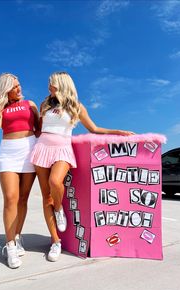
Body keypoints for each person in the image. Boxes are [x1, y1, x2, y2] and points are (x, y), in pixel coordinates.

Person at [30, 71, 134, 262]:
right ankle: (56, 242)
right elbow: (38, 129)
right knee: (46, 198)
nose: (48, 87)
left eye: (51, 83)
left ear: (61, 84)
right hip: (42, 148)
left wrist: (117, 132)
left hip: (62, 148)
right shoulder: (45, 104)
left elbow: (94, 129)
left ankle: (59, 209)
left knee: (56, 182)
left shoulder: (76, 106)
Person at [0, 73, 40, 268]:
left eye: (19, 85)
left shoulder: (30, 104)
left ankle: (16, 237)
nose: (19, 89)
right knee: (10, 198)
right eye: (14, 86)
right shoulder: (2, 107)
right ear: (6, 89)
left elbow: (39, 129)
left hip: (29, 150)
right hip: (8, 152)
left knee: (23, 198)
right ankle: (9, 246)